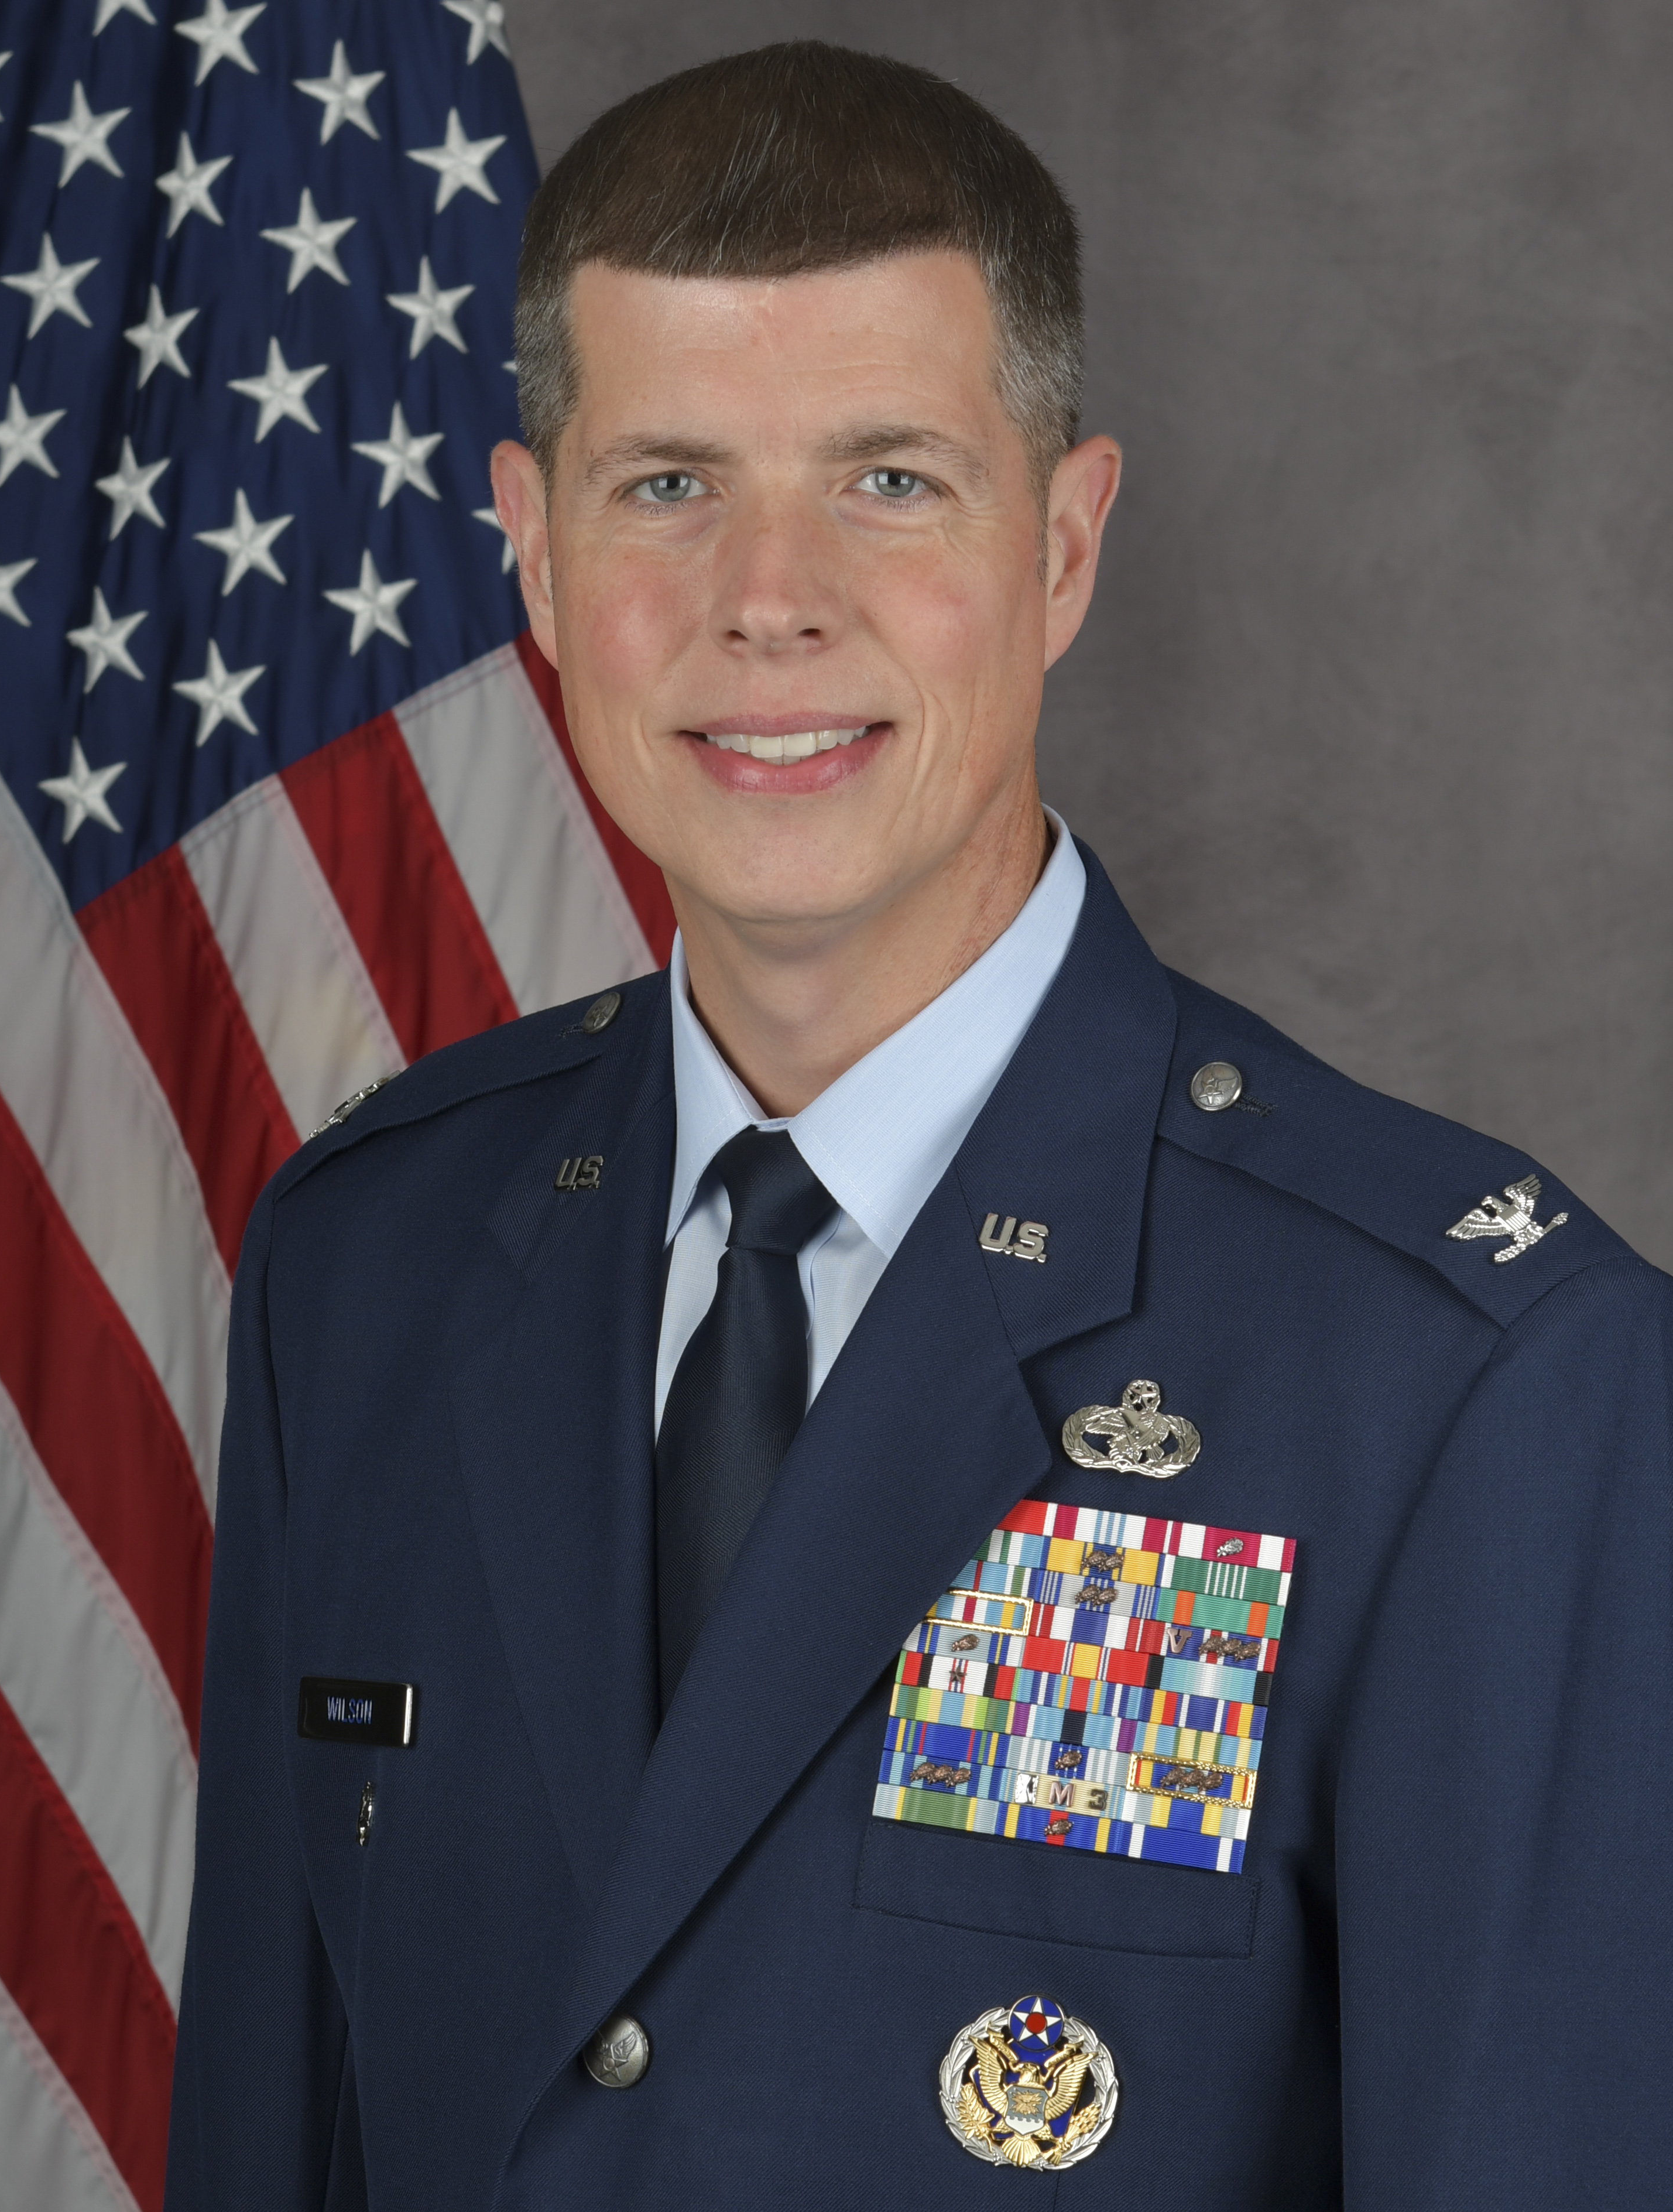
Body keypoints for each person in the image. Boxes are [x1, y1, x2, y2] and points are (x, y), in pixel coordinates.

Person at [165, 41, 1671, 2210]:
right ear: (535, 556)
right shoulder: (365, 1265)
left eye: (888, 479)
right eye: (666, 483)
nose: (770, 595)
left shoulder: (1467, 1381)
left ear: (1061, 547)